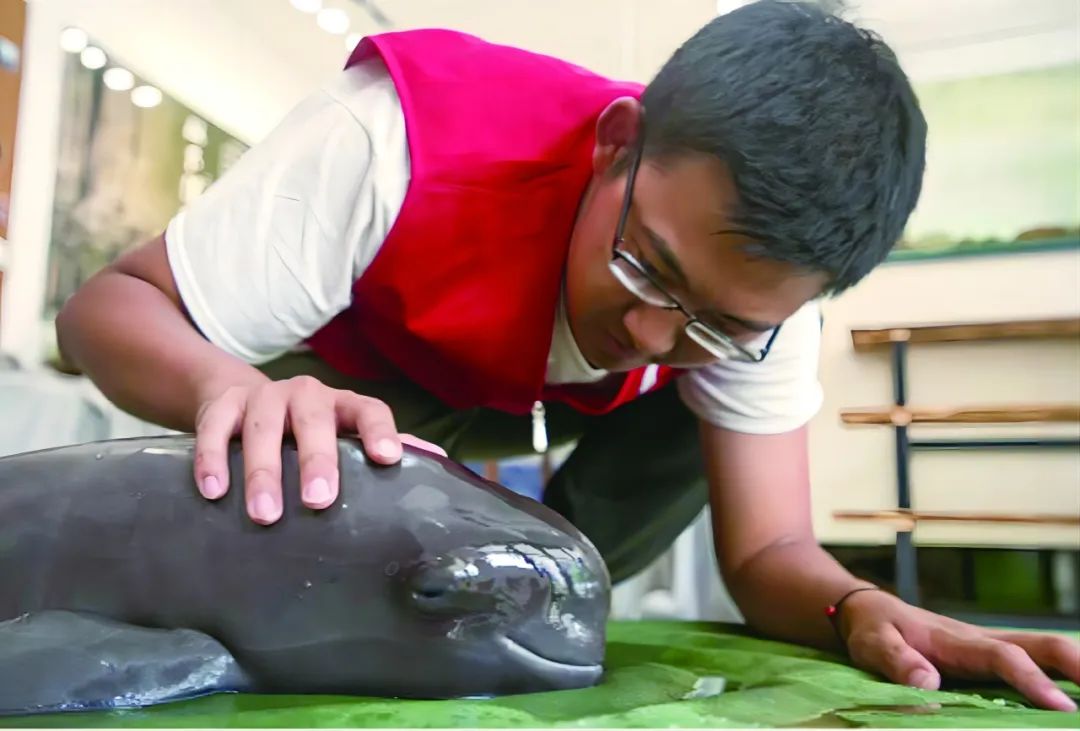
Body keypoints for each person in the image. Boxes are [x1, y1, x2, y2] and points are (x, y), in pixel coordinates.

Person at [55, 0, 1078, 712]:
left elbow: (768, 554)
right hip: (359, 389)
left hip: (566, 424)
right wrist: (233, 386)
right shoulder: (392, 143)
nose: (647, 334)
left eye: (712, 322)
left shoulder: (766, 307)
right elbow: (112, 304)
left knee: (660, 454)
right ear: (618, 142)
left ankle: (531, 580)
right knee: (299, 535)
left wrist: (858, 601)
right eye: (645, 265)